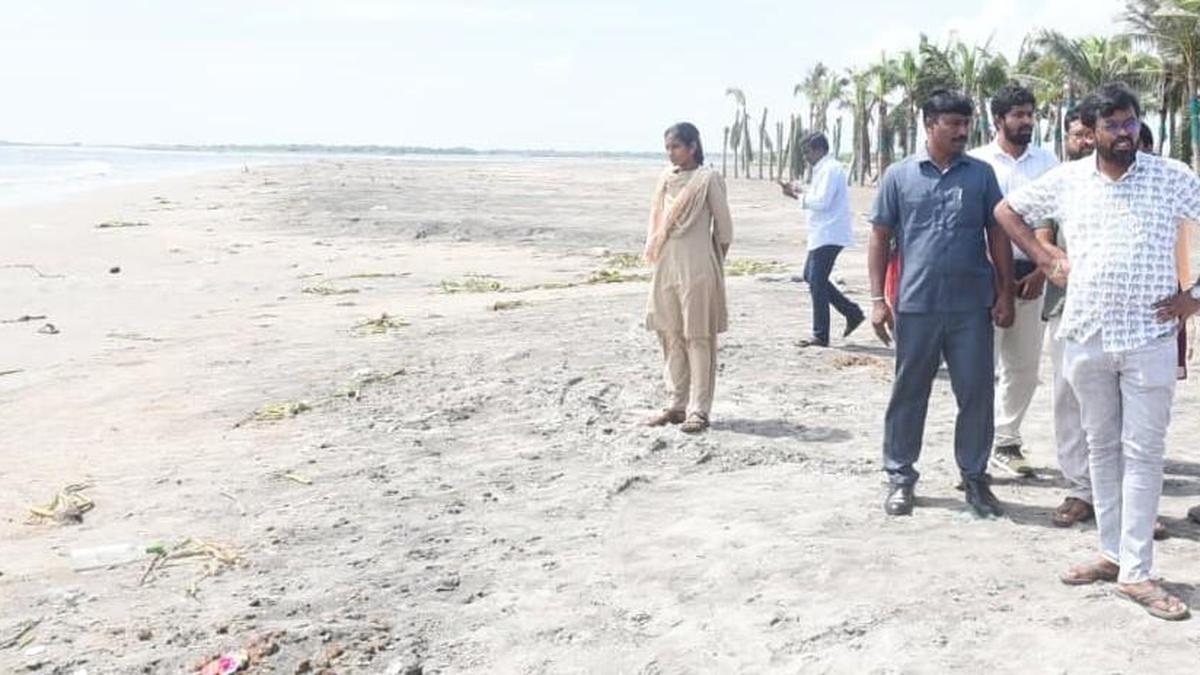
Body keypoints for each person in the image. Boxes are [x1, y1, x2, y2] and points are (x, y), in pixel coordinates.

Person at [996, 83, 1200, 621]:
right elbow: (1006, 210)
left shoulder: (1172, 176)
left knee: (1144, 451)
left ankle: (1137, 570)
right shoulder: (1068, 180)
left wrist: (1194, 297)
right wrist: (1043, 256)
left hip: (1149, 338)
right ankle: (1113, 553)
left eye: (1130, 121)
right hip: (1086, 335)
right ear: (1092, 130)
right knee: (1101, 448)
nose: (1124, 132)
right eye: (1112, 124)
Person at [868, 89, 1015, 518]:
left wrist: (1004, 292)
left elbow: (998, 234)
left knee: (976, 393)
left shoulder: (982, 175)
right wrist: (878, 299)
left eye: (966, 123)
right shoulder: (899, 176)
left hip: (972, 307)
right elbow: (880, 236)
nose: (962, 131)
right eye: (952, 123)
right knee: (909, 393)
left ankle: (975, 477)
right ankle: (900, 477)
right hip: (916, 304)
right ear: (929, 125)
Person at [968, 83, 1059, 477]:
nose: (1026, 121)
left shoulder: (1048, 162)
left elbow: (1055, 219)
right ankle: (976, 446)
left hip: (1034, 277)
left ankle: (1007, 442)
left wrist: (1042, 269)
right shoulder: (976, 163)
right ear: (998, 119)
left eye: (1029, 114)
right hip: (985, 280)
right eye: (1018, 115)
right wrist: (993, 279)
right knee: (979, 367)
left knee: (1023, 367)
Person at [643, 122, 733, 434]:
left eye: (676, 147)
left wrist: (711, 263)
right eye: (667, 147)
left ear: (693, 146)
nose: (671, 153)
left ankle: (699, 410)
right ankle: (676, 404)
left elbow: (724, 232)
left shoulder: (708, 179)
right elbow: (656, 226)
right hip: (666, 264)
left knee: (699, 337)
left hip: (698, 268)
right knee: (669, 334)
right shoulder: (665, 180)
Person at [1034, 106, 1096, 528]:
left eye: (1093, 133)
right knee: (1068, 399)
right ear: (1066, 139)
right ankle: (1079, 489)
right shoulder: (1058, 184)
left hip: (1120, 312)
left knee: (1119, 406)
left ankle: (1122, 496)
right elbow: (1039, 232)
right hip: (1066, 307)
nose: (1087, 141)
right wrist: (1055, 259)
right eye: (1079, 135)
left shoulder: (1127, 181)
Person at [781, 132, 864, 347]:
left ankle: (821, 334)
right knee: (810, 276)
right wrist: (800, 191)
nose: (806, 156)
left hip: (829, 233)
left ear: (819, 149)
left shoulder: (831, 169)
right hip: (823, 232)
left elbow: (823, 202)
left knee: (816, 281)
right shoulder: (825, 169)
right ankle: (851, 312)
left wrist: (798, 196)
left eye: (807, 151)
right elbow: (820, 197)